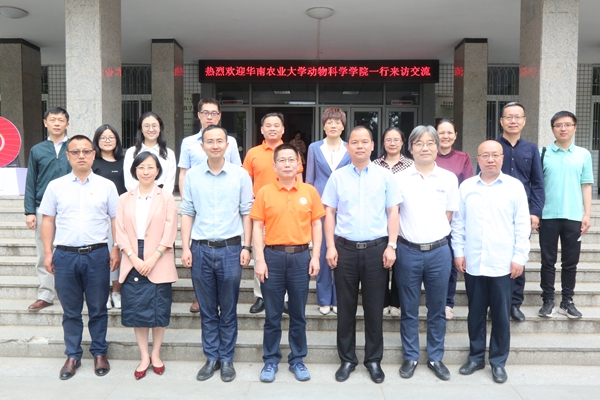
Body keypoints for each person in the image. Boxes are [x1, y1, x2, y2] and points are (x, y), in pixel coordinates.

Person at [322, 126, 400, 384]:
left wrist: (391, 245)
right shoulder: (337, 177)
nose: (359, 146)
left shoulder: (385, 176)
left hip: (377, 249)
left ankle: (373, 360)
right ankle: (347, 359)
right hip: (344, 249)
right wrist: (330, 246)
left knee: (374, 308)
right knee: (345, 308)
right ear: (348, 147)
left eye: (364, 142)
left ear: (372, 145)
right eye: (354, 142)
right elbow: (329, 212)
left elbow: (393, 212)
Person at [39, 135, 120, 380]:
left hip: (97, 255)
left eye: (86, 151)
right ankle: (73, 355)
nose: (81, 156)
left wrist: (115, 247)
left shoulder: (107, 186)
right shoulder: (56, 186)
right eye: (75, 152)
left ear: (94, 154)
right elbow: (48, 220)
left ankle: (99, 352)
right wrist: (48, 252)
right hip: (65, 256)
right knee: (71, 311)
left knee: (98, 308)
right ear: (68, 156)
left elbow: (116, 219)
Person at [452, 140, 530, 384]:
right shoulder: (466, 187)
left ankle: (498, 362)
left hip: (502, 264)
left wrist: (519, 258)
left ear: (502, 158)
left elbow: (522, 226)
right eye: (485, 155)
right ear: (477, 159)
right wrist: (458, 252)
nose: (490, 159)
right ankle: (476, 357)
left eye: (495, 155)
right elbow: (458, 223)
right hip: (474, 262)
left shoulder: (514, 187)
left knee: (501, 315)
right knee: (475, 314)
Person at [180, 125, 253, 382]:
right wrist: (185, 247)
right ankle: (211, 357)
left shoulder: (241, 175)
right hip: (200, 249)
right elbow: (187, 212)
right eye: (209, 141)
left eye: (219, 141)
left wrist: (247, 246)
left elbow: (247, 212)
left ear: (227, 145)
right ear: (202, 146)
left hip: (231, 250)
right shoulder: (192, 176)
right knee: (208, 309)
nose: (215, 145)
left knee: (229, 308)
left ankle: (227, 358)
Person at [250, 144, 324, 383]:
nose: (287, 164)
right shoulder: (264, 192)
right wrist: (259, 260)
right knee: (272, 315)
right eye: (282, 160)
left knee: (298, 314)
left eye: (292, 160)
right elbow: (257, 227)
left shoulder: (310, 191)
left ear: (299, 164)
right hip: (272, 257)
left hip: (301, 257)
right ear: (274, 166)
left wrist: (315, 256)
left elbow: (317, 225)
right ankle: (270, 360)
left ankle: (297, 359)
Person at [395, 125, 458, 381]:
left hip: (439, 252)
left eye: (430, 143)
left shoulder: (449, 178)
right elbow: (394, 214)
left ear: (438, 147)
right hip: (407, 250)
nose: (425, 148)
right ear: (410, 148)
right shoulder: (399, 178)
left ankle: (435, 357)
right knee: (409, 309)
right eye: (419, 143)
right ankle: (410, 356)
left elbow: (450, 214)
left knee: (437, 308)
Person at [116, 151, 178, 380]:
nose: (146, 171)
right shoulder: (124, 198)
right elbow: (120, 231)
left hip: (159, 256)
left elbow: (170, 230)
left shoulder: (166, 197)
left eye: (150, 167)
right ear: (135, 170)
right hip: (132, 255)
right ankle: (144, 356)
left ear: (158, 171)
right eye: (141, 167)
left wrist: (153, 258)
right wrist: (134, 257)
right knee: (137, 310)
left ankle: (156, 354)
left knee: (159, 309)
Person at [179, 98, 242, 314]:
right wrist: (187, 199)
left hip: (223, 207)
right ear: (199, 115)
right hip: (199, 202)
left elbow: (237, 171)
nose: (209, 116)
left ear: (219, 116)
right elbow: (184, 173)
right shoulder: (189, 143)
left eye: (214, 113)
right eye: (205, 112)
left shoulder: (230, 143)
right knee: (200, 257)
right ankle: (201, 298)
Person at [243, 113, 303, 314]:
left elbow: (300, 181)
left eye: (276, 125)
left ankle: (284, 298)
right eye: (268, 125)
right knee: (260, 251)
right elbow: (246, 182)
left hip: (288, 210)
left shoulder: (291, 153)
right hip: (261, 210)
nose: (272, 128)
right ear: (262, 130)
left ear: (283, 129)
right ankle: (260, 295)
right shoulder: (253, 153)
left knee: (284, 252)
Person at [538, 111, 593, 319]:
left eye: (568, 125)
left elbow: (586, 184)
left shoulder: (583, 154)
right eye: (558, 125)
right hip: (548, 216)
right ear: (552, 129)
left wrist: (587, 214)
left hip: (573, 216)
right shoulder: (542, 153)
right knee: (547, 261)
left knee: (570, 262)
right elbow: (537, 186)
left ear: (574, 128)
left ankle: (567, 301)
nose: (563, 128)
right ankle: (547, 301)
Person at [496, 101, 545, 323]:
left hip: (522, 212)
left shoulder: (531, 149)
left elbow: (538, 184)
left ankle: (515, 303)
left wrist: (535, 213)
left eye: (517, 117)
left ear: (524, 121)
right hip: (496, 211)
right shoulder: (493, 146)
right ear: (501, 121)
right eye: (509, 117)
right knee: (496, 256)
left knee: (519, 256)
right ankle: (496, 304)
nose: (513, 121)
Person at [24, 107, 72, 312]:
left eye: (61, 120)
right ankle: (45, 293)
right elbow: (31, 182)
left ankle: (72, 291)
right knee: (44, 251)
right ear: (45, 123)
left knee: (71, 250)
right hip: (43, 207)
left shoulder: (74, 147)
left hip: (70, 207)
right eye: (53, 120)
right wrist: (29, 211)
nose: (57, 123)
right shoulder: (37, 150)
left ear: (67, 124)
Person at [306, 107, 352, 315]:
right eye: (329, 122)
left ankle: (339, 298)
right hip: (321, 207)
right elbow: (309, 179)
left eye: (337, 122)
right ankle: (324, 298)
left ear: (343, 126)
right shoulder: (314, 148)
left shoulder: (350, 148)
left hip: (345, 206)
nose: (333, 125)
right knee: (323, 251)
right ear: (323, 126)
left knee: (342, 252)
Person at [435, 118, 474, 320]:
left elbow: (467, 186)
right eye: (441, 132)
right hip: (429, 216)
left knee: (450, 262)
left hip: (454, 218)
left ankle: (447, 303)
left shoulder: (463, 157)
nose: (445, 136)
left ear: (455, 135)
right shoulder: (428, 155)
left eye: (449, 132)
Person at [373, 127, 414, 317]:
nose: (392, 143)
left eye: (396, 139)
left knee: (399, 263)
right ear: (383, 142)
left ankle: (396, 302)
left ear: (403, 142)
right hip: (379, 219)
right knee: (381, 263)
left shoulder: (411, 166)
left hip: (403, 218)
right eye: (388, 139)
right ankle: (382, 301)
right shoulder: (375, 165)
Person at [92, 124, 126, 310]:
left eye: (111, 137)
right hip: (100, 216)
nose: (107, 141)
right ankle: (104, 292)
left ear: (117, 140)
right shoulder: (93, 162)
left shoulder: (124, 161)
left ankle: (116, 292)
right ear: (97, 141)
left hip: (122, 214)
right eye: (103, 138)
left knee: (119, 253)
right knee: (102, 255)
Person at [123, 112, 176, 194]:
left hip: (162, 199)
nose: (151, 129)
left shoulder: (169, 153)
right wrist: (141, 197)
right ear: (141, 129)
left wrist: (160, 198)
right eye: (147, 126)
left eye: (154, 126)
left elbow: (169, 182)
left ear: (160, 128)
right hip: (136, 198)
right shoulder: (131, 152)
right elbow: (129, 180)